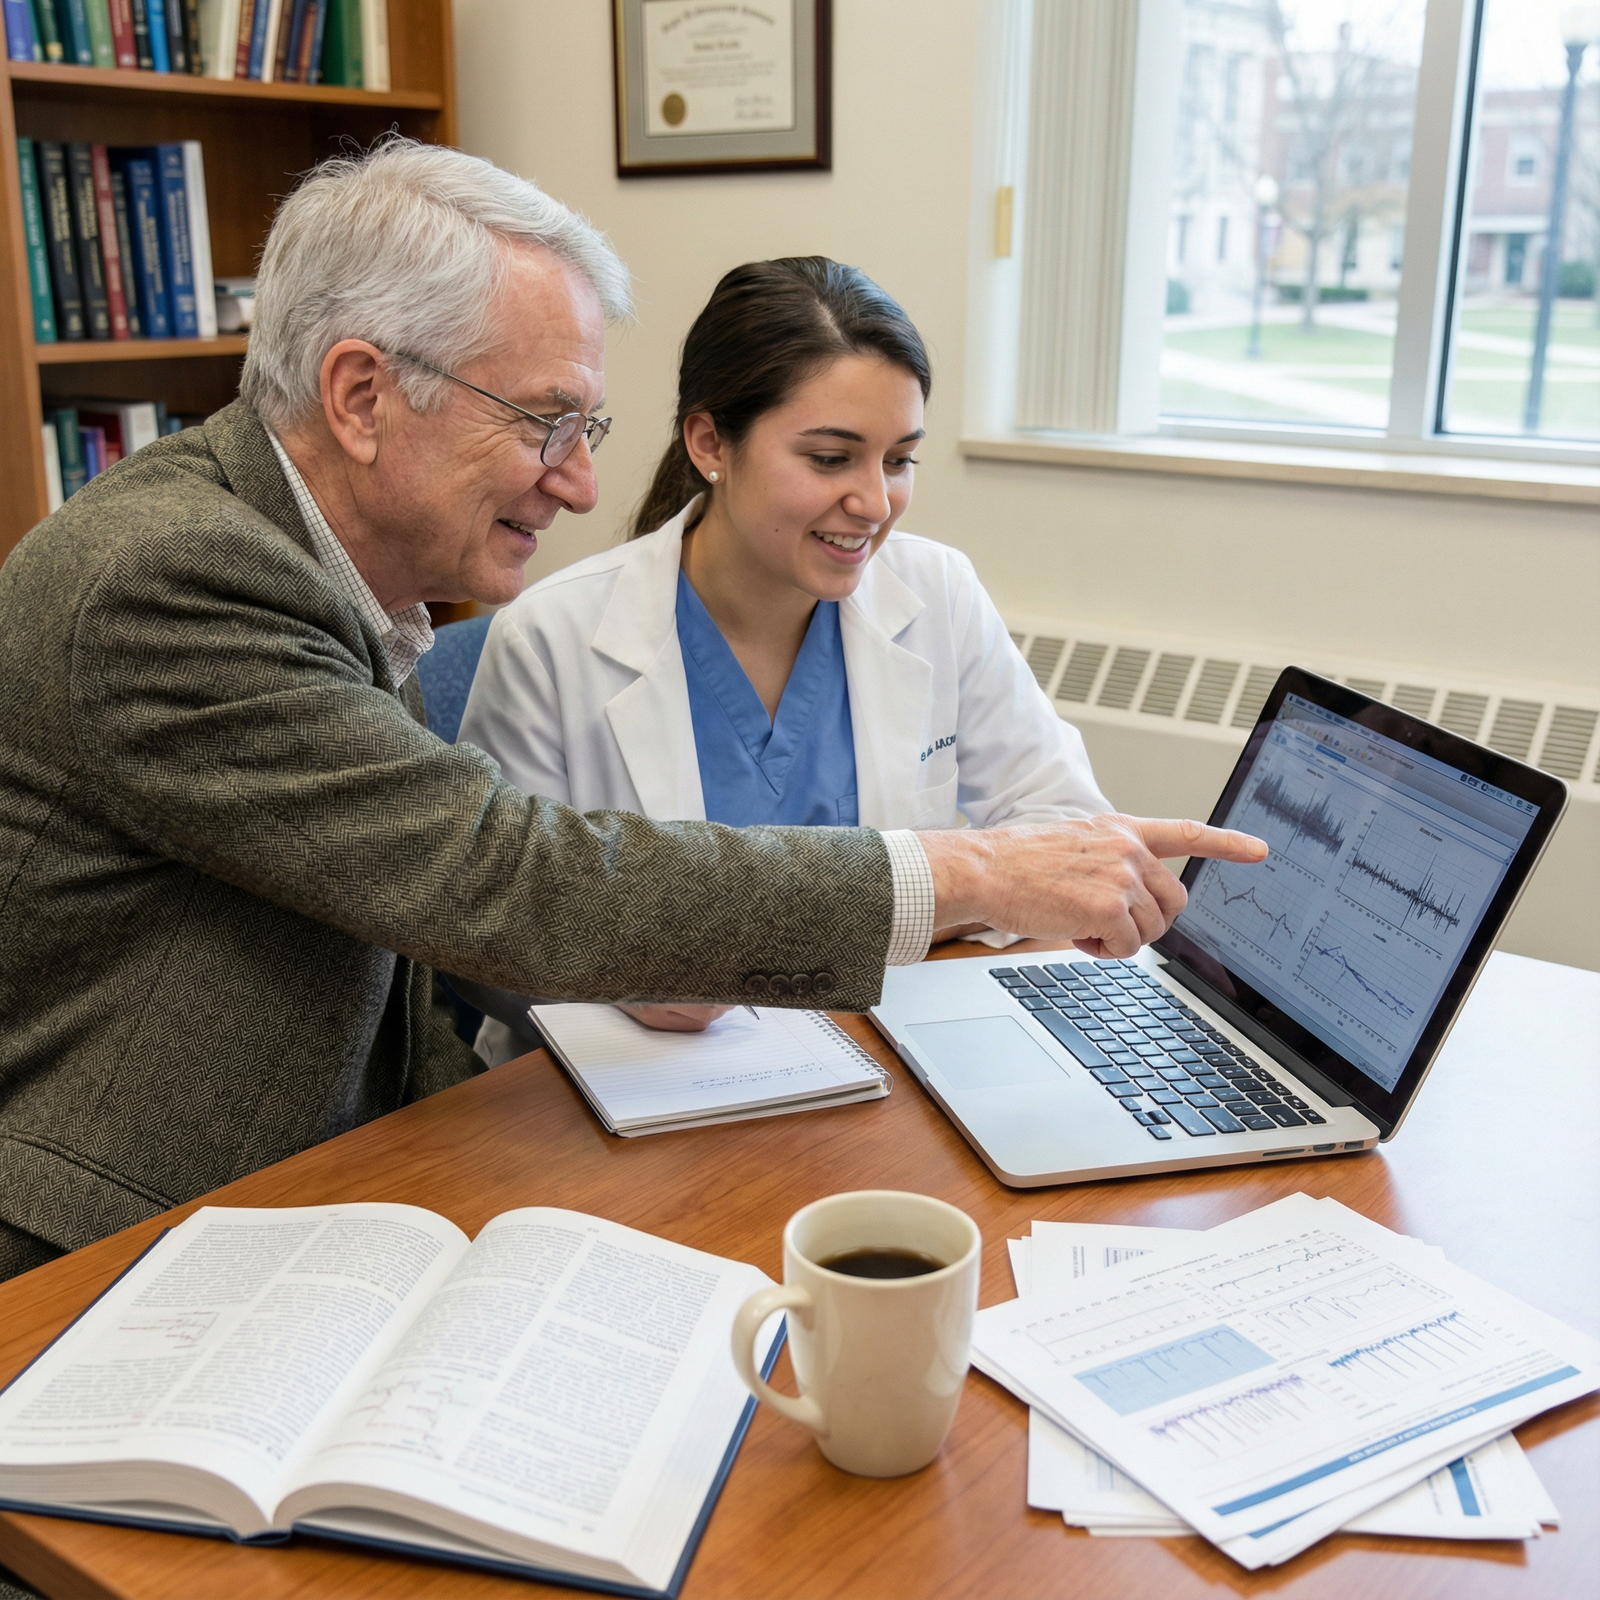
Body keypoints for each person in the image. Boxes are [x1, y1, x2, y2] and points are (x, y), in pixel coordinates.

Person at [0, 139, 1266, 1285]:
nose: (585, 479)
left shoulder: (338, 576)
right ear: (360, 395)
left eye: (587, 423)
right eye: (545, 422)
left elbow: (392, 961)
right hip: (102, 1242)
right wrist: (969, 871)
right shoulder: (176, 581)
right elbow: (505, 883)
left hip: (311, 1181)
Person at [458, 257, 1113, 1062]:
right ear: (710, 443)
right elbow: (484, 937)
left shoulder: (936, 592)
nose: (874, 504)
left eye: (899, 460)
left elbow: (1066, 834)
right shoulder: (550, 640)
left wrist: (965, 891)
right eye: (831, 459)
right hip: (631, 1092)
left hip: (880, 1065)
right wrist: (618, 972)